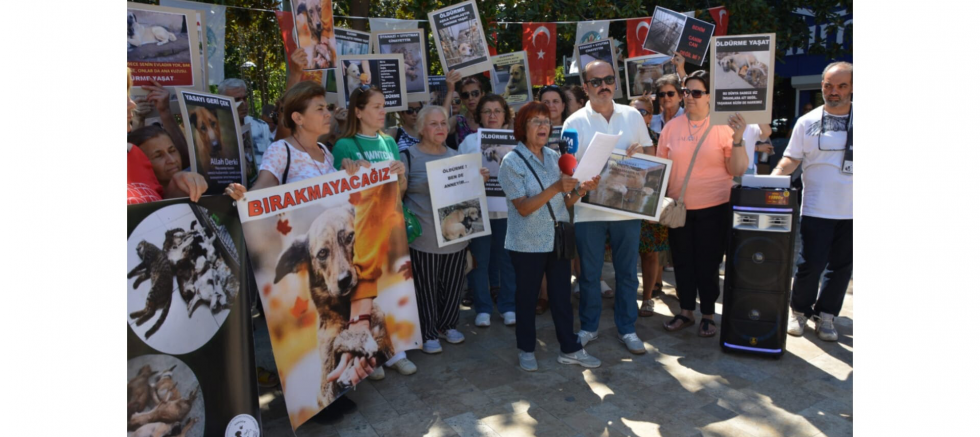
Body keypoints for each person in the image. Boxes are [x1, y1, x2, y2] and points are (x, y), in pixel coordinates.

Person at [498, 102, 601, 372]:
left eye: (546, 121)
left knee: (561, 297)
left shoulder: (555, 157)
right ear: (523, 127)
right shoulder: (511, 162)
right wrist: (556, 187)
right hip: (527, 243)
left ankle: (570, 349)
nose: (543, 125)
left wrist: (581, 191)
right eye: (536, 121)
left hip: (557, 239)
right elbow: (523, 208)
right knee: (527, 298)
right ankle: (526, 349)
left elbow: (561, 204)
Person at [561, 60, 650, 355]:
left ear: (615, 82)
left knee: (627, 274)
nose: (604, 86)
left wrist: (641, 154)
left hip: (627, 209)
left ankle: (627, 328)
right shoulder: (573, 123)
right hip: (589, 210)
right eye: (596, 81)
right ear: (585, 87)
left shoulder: (632, 115)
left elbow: (650, 156)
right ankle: (589, 327)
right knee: (589, 274)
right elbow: (567, 169)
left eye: (609, 79)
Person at [330, 85, 418, 377]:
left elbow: (399, 192)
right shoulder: (344, 145)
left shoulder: (389, 142)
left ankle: (395, 351)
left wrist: (401, 178)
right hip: (362, 231)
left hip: (391, 227)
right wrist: (350, 173)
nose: (383, 111)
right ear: (358, 111)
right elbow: (337, 195)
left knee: (392, 290)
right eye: (377, 106)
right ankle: (371, 354)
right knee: (366, 293)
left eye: (383, 106)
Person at [657, 70, 749, 337]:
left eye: (696, 92)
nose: (689, 97)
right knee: (682, 262)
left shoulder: (724, 127)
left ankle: (708, 314)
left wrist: (738, 139)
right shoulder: (671, 127)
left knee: (708, 264)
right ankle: (686, 311)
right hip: (679, 210)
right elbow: (662, 169)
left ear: (710, 97)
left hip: (715, 208)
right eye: (686, 91)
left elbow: (737, 169)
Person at [772, 62, 853, 342]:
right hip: (817, 208)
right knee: (810, 265)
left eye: (841, 85)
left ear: (852, 88)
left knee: (841, 268)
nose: (834, 91)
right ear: (822, 86)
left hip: (853, 211)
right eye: (829, 85)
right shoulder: (807, 122)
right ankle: (799, 311)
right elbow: (791, 158)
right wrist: (773, 179)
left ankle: (826, 315)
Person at [401, 105, 489, 353]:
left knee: (453, 285)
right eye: (433, 124)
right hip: (424, 239)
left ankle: (448, 325)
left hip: (455, 238)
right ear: (421, 128)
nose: (440, 128)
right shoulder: (408, 157)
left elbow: (467, 198)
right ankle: (428, 332)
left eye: (442, 123)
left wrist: (478, 181)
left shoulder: (456, 156)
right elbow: (397, 196)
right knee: (425, 288)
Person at [458, 94, 517, 327]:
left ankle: (508, 306)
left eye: (497, 111)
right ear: (479, 116)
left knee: (507, 261)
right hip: (476, 210)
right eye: (487, 111)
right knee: (479, 261)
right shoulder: (469, 142)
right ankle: (483, 308)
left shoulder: (517, 141)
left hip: (506, 211)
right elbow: (458, 176)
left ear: (505, 115)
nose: (492, 115)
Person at [126, 68, 206, 204]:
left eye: (172, 151)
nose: (132, 103)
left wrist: (177, 185)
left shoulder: (134, 153)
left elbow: (158, 211)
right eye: (158, 156)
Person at [629, 96, 669, 317]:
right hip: (623, 204)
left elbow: (665, 173)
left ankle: (647, 299)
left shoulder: (659, 140)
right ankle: (627, 299)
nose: (637, 116)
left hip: (649, 203)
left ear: (650, 116)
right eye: (633, 112)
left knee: (650, 253)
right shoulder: (620, 138)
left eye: (642, 112)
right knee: (624, 255)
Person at [218, 78, 274, 161]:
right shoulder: (216, 128)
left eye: (245, 98)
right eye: (237, 100)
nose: (243, 104)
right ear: (223, 101)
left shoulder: (261, 126)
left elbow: (273, 158)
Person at [650, 73, 685, 145]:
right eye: (662, 94)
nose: (666, 97)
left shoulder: (688, 118)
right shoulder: (652, 121)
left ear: (680, 97)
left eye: (670, 94)